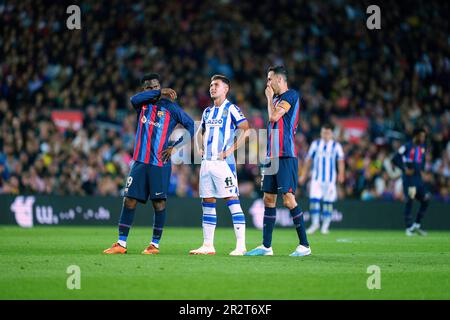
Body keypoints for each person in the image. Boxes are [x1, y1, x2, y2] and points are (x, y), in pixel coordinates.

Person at [104, 73, 195, 254]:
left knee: (159, 204)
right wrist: (160, 92)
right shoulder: (142, 104)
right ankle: (121, 244)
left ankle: (155, 245)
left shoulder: (171, 108)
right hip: (139, 162)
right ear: (145, 89)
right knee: (129, 201)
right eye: (150, 87)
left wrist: (175, 147)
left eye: (157, 86)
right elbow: (133, 98)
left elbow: (192, 125)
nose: (154, 89)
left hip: (159, 163)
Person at [245, 66, 311, 257]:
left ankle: (304, 245)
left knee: (289, 199)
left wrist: (267, 99)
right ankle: (266, 247)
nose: (267, 83)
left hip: (286, 155)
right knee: (268, 198)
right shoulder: (276, 100)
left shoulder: (290, 96)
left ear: (279, 80)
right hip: (271, 155)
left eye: (269, 79)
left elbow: (274, 116)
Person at [189, 74, 250, 256]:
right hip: (207, 163)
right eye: (211, 85)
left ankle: (241, 245)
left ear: (226, 89)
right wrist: (200, 148)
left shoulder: (231, 109)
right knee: (207, 201)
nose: (212, 87)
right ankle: (208, 245)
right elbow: (199, 132)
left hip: (224, 164)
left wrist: (230, 151)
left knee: (232, 200)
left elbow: (246, 131)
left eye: (216, 85)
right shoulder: (207, 112)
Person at [299, 123, 345, 234]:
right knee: (314, 200)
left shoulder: (336, 146)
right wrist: (304, 175)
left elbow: (340, 161)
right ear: (321, 133)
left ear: (332, 134)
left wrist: (341, 174)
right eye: (324, 132)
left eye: (328, 133)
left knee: (328, 202)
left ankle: (325, 226)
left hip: (330, 180)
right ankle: (315, 224)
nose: (325, 135)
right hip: (316, 178)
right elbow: (308, 160)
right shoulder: (315, 144)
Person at [392, 127, 429, 236]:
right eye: (421, 136)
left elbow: (422, 160)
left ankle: (416, 224)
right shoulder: (406, 146)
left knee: (426, 199)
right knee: (410, 199)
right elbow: (395, 159)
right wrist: (404, 169)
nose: (423, 138)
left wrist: (423, 170)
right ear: (415, 136)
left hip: (418, 178)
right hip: (409, 179)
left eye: (424, 136)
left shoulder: (422, 147)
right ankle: (409, 227)